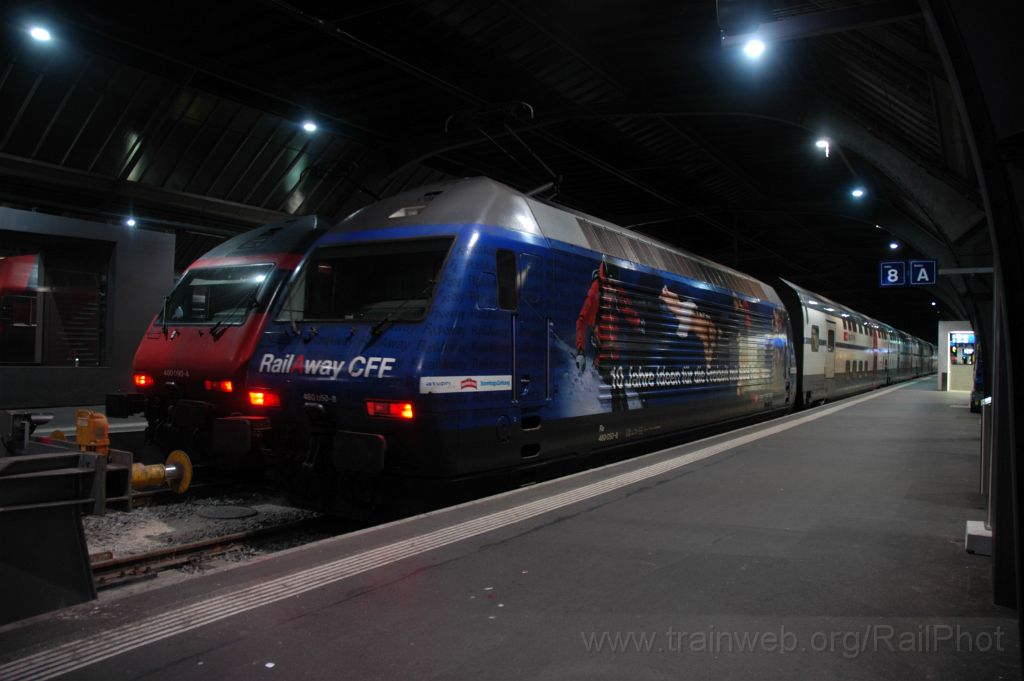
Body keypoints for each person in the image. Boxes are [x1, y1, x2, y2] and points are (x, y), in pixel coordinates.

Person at [575, 261, 643, 410]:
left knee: (619, 390)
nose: (613, 290)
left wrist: (639, 322)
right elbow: (581, 320)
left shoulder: (616, 288)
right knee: (617, 389)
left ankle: (621, 415)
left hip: (615, 356)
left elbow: (627, 307)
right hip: (602, 356)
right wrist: (580, 350)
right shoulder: (596, 289)